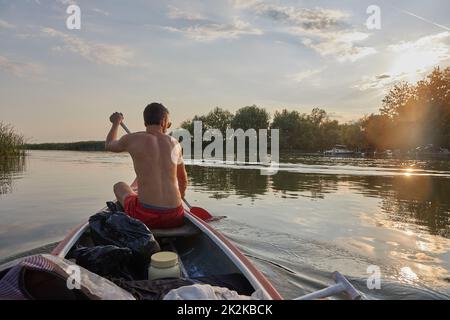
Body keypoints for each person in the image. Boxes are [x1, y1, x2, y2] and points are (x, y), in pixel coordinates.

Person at [105, 103, 187, 229]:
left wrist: (116, 122)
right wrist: (178, 200)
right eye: (168, 123)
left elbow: (109, 144)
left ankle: (133, 200)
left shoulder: (132, 139)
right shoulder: (175, 144)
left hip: (145, 217)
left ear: (145, 122)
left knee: (119, 186)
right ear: (163, 121)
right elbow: (182, 180)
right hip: (175, 216)